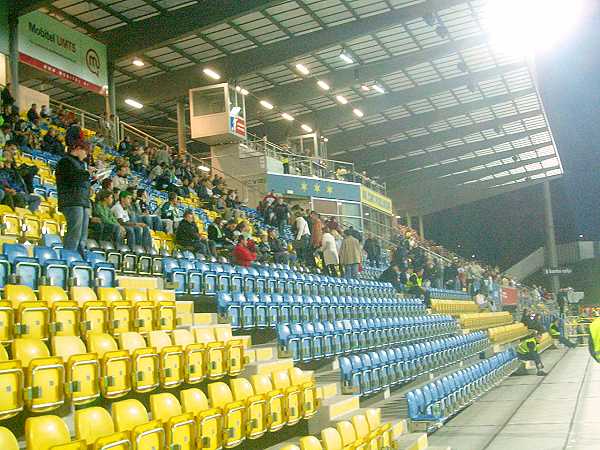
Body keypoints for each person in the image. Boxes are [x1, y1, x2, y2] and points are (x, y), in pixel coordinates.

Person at [55, 142, 91, 253]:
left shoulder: (80, 164)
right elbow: (71, 179)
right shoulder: (65, 162)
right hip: (72, 200)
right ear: (78, 148)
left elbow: (80, 181)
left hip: (82, 200)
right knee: (74, 232)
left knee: (82, 234)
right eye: (86, 152)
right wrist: (86, 174)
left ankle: (79, 256)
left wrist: (91, 179)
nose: (86, 155)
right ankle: (69, 256)